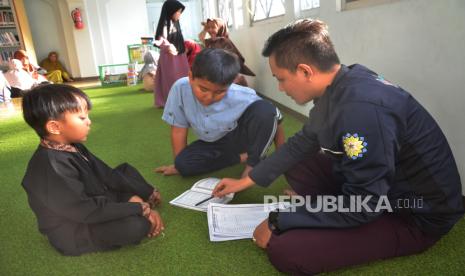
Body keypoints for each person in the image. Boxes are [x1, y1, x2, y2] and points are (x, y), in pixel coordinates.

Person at [212, 19, 464, 274]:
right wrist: (245, 181)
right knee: (298, 158)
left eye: (282, 79)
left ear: (305, 71)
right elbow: (305, 141)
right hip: (384, 187)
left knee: (286, 251)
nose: (279, 88)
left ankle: (325, 212)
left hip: (414, 214)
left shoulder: (361, 111)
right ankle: (325, 209)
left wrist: (279, 220)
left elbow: (365, 205)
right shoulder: (344, 81)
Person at [21, 84, 164, 256]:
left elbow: (106, 175)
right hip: (76, 227)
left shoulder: (73, 146)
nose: (89, 121)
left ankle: (138, 202)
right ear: (54, 127)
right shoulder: (51, 166)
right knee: (135, 226)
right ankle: (137, 210)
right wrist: (138, 208)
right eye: (82, 118)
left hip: (94, 198)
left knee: (124, 171)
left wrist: (138, 195)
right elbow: (86, 210)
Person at [155, 48, 284, 178]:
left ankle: (253, 162)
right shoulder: (180, 89)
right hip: (212, 142)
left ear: (230, 84)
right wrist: (179, 166)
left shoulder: (243, 95)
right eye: (203, 89)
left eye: (219, 92)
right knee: (183, 164)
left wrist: (281, 155)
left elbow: (272, 118)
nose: (209, 97)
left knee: (265, 109)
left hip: (239, 137)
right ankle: (241, 157)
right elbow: (178, 129)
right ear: (190, 77)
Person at [153, 0, 189, 108]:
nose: (179, 14)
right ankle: (172, 101)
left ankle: (183, 99)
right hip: (170, 57)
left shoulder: (175, 24)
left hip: (179, 56)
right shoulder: (165, 25)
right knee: (171, 79)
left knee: (183, 77)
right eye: (178, 11)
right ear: (171, 11)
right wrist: (168, 45)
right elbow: (161, 39)